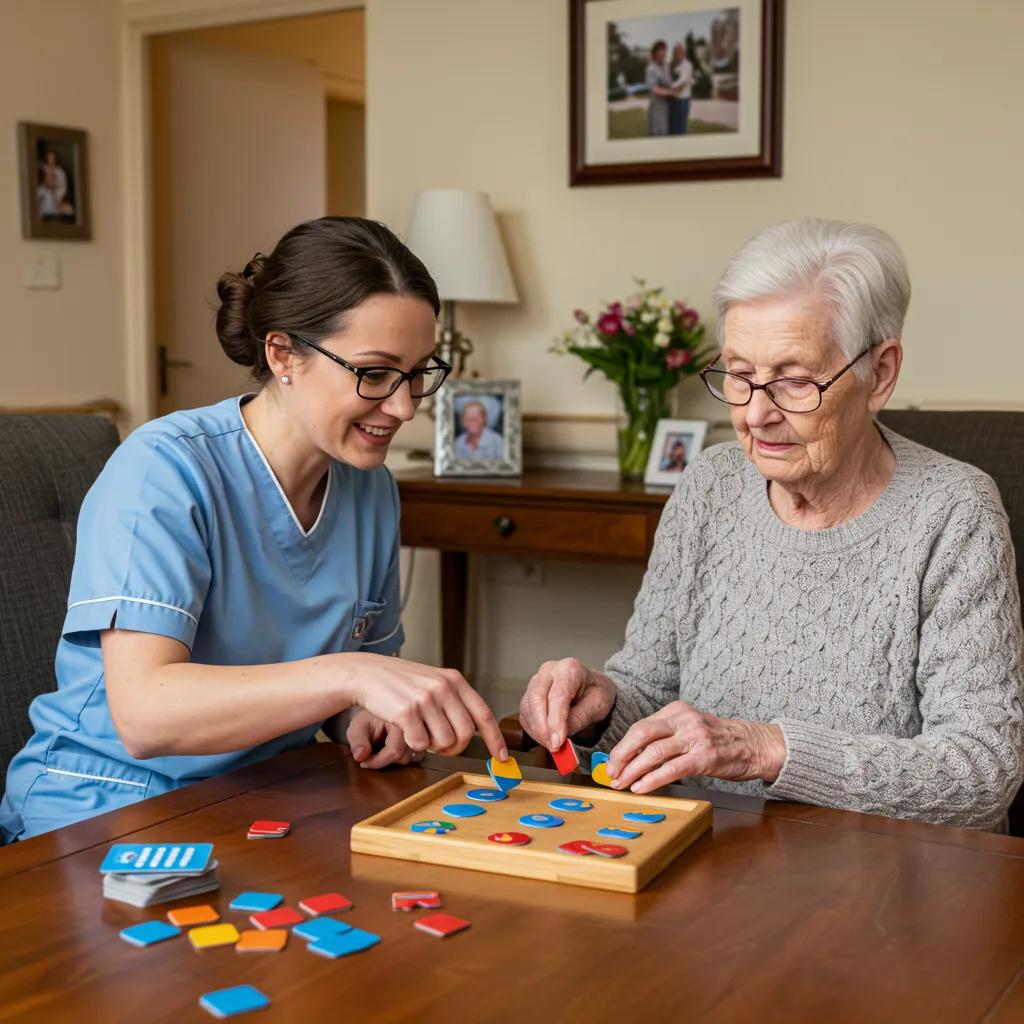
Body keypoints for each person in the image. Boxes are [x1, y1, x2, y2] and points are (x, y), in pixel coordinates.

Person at [0, 217, 508, 843]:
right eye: (375, 373)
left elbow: (354, 688)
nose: (404, 407)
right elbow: (145, 714)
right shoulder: (165, 470)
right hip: (109, 806)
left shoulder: (369, 487)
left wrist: (364, 717)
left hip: (267, 795)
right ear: (282, 353)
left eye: (418, 373)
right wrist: (348, 677)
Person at [519, 218, 1024, 832]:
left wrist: (767, 751)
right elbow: (648, 690)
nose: (757, 414)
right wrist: (599, 706)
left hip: (883, 880)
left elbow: (982, 770)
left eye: (792, 380)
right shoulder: (710, 485)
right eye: (738, 374)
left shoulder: (953, 512)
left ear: (880, 374)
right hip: (705, 850)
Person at [667, 42, 693, 135]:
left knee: (680, 129)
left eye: (681, 51)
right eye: (676, 51)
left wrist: (668, 88)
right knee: (672, 127)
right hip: (672, 99)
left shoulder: (687, 65)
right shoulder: (672, 65)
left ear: (684, 52)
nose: (678, 53)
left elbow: (682, 82)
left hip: (682, 100)